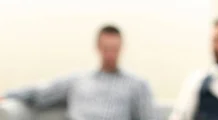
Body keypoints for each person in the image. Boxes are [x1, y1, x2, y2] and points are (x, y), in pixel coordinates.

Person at [0, 24, 155, 120]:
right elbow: (41, 93)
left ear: (122, 48)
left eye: (114, 49)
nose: (110, 55)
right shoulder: (78, 81)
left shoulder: (137, 85)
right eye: (106, 49)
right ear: (98, 47)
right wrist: (7, 95)